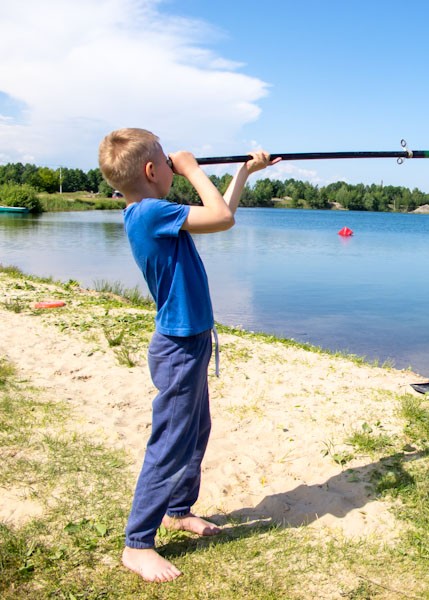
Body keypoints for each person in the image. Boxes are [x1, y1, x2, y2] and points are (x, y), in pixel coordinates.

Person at [98, 128, 279, 582]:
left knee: (196, 430)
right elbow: (221, 218)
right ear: (151, 171)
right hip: (178, 347)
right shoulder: (148, 213)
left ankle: (178, 509)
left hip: (191, 340)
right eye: (167, 158)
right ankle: (137, 544)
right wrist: (195, 168)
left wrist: (243, 172)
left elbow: (223, 212)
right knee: (170, 442)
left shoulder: (154, 211)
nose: (175, 165)